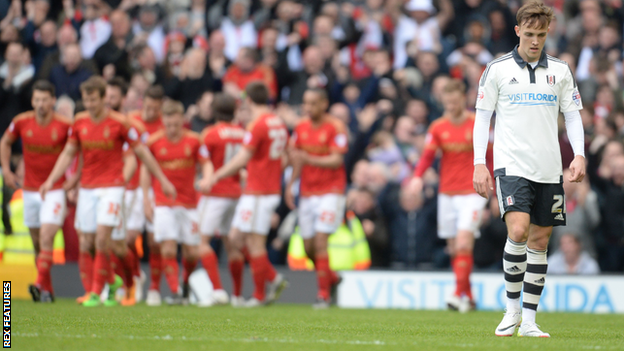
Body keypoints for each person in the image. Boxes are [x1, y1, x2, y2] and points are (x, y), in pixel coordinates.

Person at [473, 1, 585, 337]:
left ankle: (531, 322)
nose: (535, 41)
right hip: (511, 165)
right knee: (518, 231)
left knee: (539, 241)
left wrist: (578, 155)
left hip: (549, 169)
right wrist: (480, 162)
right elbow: (482, 117)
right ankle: (511, 311)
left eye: (541, 34)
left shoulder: (561, 71)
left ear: (548, 32)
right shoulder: (497, 69)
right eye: (530, 34)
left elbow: (574, 115)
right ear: (518, 30)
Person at [39, 76, 176, 307]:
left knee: (104, 239)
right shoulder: (80, 122)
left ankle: (96, 292)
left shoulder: (120, 123)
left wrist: (162, 180)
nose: (90, 105)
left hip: (112, 187)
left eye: (94, 100)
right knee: (88, 243)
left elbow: (141, 153)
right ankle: (113, 283)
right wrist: (51, 179)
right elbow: (68, 154)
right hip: (88, 188)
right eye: (86, 100)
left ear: (104, 99)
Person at [407, 79, 488, 312]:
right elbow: (427, 156)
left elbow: (490, 156)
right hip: (447, 193)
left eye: (455, 101)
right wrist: (417, 176)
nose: (451, 106)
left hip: (472, 191)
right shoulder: (437, 127)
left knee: (463, 242)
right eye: (447, 102)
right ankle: (469, 297)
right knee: (456, 249)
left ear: (464, 99)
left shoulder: (476, 124)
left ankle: (456, 293)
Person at [207, 82, 288, 307]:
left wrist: (217, 175)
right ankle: (273, 278)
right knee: (235, 237)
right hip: (259, 189)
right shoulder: (277, 122)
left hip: (260, 192)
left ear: (248, 100)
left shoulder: (257, 125)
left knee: (255, 243)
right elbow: (286, 156)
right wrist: (267, 171)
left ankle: (259, 296)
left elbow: (243, 157)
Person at [0, 81, 72, 303]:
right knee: (37, 243)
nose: (41, 104)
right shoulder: (21, 122)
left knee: (47, 236)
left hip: (54, 189)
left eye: (45, 99)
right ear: (32, 101)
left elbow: (76, 150)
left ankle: (38, 283)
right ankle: (47, 290)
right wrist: (6, 171)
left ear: (52, 101)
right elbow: (5, 142)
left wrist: (74, 179)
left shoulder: (64, 125)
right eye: (37, 99)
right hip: (29, 189)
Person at [285, 88, 347, 308]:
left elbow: (336, 160)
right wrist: (291, 184)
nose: (308, 108)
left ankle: (323, 295)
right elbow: (296, 158)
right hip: (307, 192)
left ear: (324, 104)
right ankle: (331, 277)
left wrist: (308, 158)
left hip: (331, 191)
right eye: (305, 103)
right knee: (308, 247)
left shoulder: (335, 127)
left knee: (321, 241)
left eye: (312, 104)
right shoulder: (300, 127)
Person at [142, 100, 204, 305]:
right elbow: (145, 169)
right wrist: (146, 198)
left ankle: (185, 283)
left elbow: (206, 163)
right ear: (163, 122)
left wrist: (207, 179)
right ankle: (176, 291)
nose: (172, 129)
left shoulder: (194, 141)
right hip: (163, 203)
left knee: (192, 252)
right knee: (167, 248)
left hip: (189, 204)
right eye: (168, 125)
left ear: (182, 121)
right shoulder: (154, 141)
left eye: (176, 125)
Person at [197, 93, 245, 307]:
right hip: (236, 192)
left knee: (201, 242)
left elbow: (202, 161)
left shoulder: (210, 134)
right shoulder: (242, 133)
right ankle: (237, 295)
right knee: (231, 245)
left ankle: (217, 290)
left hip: (215, 192)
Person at [128, 86, 166, 306]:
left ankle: (154, 287)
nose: (151, 112)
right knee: (129, 239)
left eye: (155, 108)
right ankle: (136, 275)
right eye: (148, 107)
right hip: (132, 186)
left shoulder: (166, 125)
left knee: (155, 241)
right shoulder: (130, 120)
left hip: (156, 187)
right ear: (142, 103)